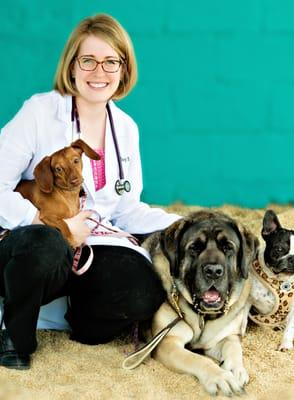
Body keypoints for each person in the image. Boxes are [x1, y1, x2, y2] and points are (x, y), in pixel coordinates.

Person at [0, 13, 180, 370]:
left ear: (123, 70)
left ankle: (80, 320)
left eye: (111, 61)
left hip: (89, 249)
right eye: (88, 60)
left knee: (143, 288)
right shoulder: (39, 112)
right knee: (46, 243)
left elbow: (127, 209)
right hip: (28, 244)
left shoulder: (126, 128)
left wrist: (179, 222)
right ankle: (14, 340)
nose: (100, 72)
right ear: (72, 67)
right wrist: (41, 220)